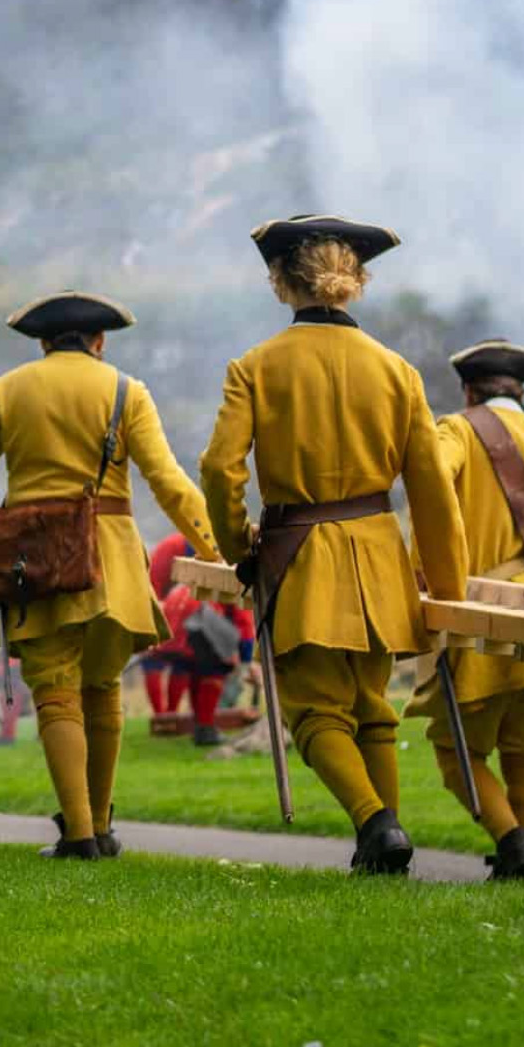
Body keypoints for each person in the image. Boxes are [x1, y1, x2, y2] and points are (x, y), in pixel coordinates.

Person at [199, 216, 469, 876]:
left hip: (300, 557)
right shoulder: (398, 371)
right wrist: (447, 584)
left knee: (313, 713)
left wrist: (240, 545)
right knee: (372, 707)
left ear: (281, 282)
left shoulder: (255, 367)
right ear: (355, 282)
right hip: (380, 558)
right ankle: (385, 845)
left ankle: (378, 826)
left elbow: (218, 470)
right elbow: (432, 489)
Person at [0, 290, 223, 859]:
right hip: (112, 566)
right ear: (99, 342)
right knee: (102, 688)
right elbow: (168, 482)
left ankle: (77, 835)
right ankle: (100, 825)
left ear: (44, 343)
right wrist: (215, 548)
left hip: (36, 565)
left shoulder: (7, 390)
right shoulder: (126, 391)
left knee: (55, 692)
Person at [405, 340, 524, 881]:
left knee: (453, 751)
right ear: (521, 393)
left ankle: (514, 845)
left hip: (480, 620)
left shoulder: (457, 430)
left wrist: (426, 566)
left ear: (469, 390)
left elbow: (429, 480)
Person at [158, 576, 254, 745]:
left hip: (177, 629)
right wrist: (246, 659)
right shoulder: (238, 582)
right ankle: (205, 729)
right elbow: (244, 622)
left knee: (198, 675)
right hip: (199, 622)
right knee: (214, 673)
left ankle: (200, 726)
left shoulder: (192, 582)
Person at [138, 534, 195, 717]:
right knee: (152, 660)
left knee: (181, 659)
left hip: (181, 611)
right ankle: (160, 716)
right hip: (156, 606)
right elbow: (152, 581)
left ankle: (171, 714)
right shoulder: (170, 547)